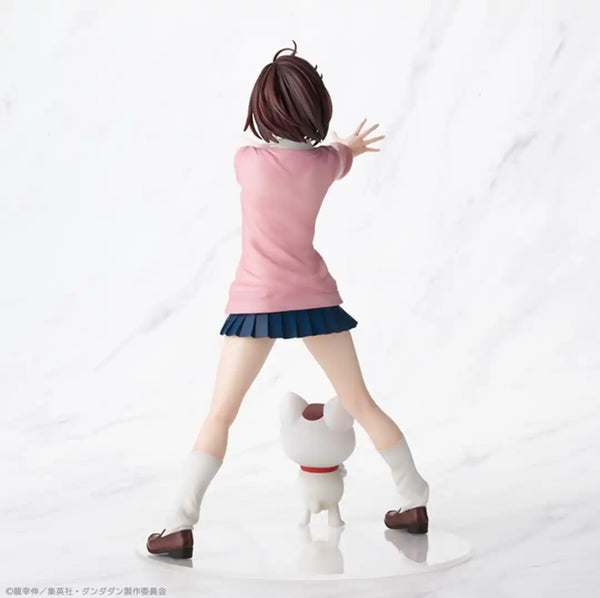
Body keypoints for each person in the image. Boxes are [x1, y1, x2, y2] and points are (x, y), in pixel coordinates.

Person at [147, 40, 430, 559]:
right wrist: (349, 145)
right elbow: (341, 155)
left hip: (256, 303)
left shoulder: (247, 161)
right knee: (361, 402)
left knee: (220, 416)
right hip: (315, 298)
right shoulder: (324, 164)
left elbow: (264, 147)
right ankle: (414, 498)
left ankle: (177, 524)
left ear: (264, 109)